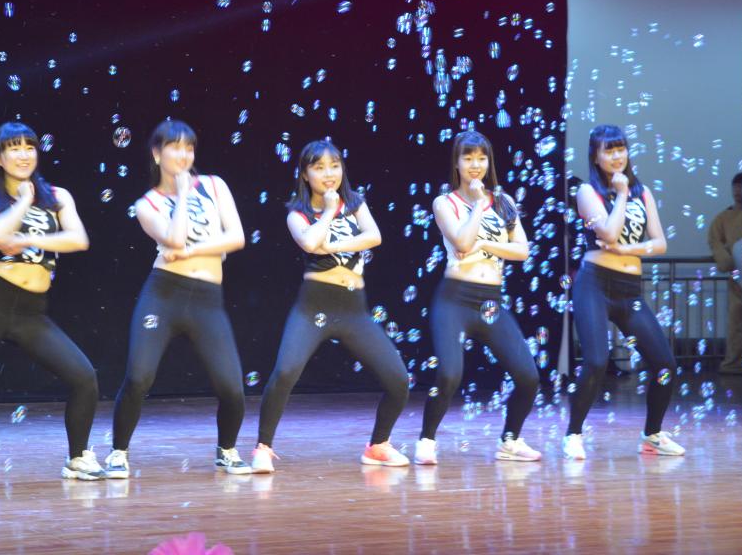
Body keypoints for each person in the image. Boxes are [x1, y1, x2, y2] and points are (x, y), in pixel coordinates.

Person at [0, 122, 101, 487]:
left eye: (29, 147)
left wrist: (29, 237)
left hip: (32, 311)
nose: (24, 154)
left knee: (85, 378)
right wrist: (24, 202)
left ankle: (77, 458)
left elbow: (79, 239)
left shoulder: (59, 196)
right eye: (13, 148)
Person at [252, 139, 410, 472]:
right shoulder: (297, 213)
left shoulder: (354, 203)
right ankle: (263, 447)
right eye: (319, 167)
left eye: (334, 166)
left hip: (354, 310)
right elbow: (310, 242)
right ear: (305, 174)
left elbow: (374, 236)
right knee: (285, 372)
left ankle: (378, 445)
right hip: (313, 307)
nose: (329, 174)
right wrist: (326, 211)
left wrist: (332, 244)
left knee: (398, 379)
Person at [106, 119, 250, 478]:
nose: (184, 155)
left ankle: (226, 450)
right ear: (157, 154)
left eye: (189, 147)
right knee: (139, 376)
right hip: (164, 294)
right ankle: (118, 452)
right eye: (175, 147)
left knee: (232, 387)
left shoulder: (215, 185)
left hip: (208, 299)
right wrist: (183, 194)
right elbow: (173, 239)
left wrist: (189, 251)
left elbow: (236, 237)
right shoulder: (148, 204)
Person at [415, 130, 541, 466]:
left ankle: (510, 440)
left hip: (491, 300)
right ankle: (426, 439)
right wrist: (476, 207)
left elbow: (522, 250)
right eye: (468, 157)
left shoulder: (504, 201)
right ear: (456, 162)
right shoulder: (445, 203)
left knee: (528, 376)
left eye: (481, 158)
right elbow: (462, 242)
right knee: (449, 375)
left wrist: (486, 242)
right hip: (454, 299)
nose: (475, 165)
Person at [563, 124, 684, 460]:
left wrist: (628, 250)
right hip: (594, 284)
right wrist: (619, 194)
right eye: (609, 150)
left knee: (664, 363)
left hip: (630, 290)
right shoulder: (587, 191)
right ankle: (573, 434)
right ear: (596, 157)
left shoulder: (643, 192)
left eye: (621, 149)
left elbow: (660, 243)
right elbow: (609, 232)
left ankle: (652, 434)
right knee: (596, 361)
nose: (617, 156)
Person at [708, 172, 742, 375]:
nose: (738, 191)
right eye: (735, 187)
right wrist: (725, 258)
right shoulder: (722, 218)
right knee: (737, 320)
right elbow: (715, 241)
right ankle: (735, 362)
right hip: (736, 277)